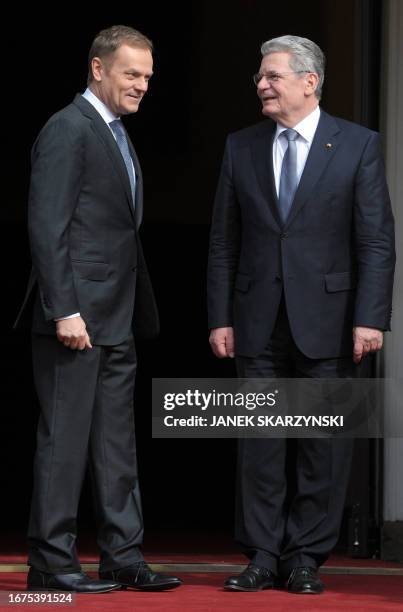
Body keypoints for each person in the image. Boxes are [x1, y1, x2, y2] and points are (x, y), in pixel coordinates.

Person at [207, 35, 395, 595]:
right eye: (260, 77)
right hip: (257, 320)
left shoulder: (358, 144)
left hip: (334, 323)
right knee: (260, 444)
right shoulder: (240, 146)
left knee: (323, 446)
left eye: (272, 76)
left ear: (309, 81)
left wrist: (371, 317)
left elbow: (376, 241)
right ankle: (263, 555)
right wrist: (220, 317)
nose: (261, 85)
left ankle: (307, 557)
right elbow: (223, 241)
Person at [15, 25, 182, 594]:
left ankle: (123, 557)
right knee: (64, 442)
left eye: (147, 78)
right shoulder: (69, 128)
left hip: (117, 316)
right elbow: (47, 225)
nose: (142, 86)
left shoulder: (113, 131)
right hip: (76, 319)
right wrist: (64, 309)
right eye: (131, 74)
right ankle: (51, 563)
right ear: (98, 69)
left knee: (117, 444)